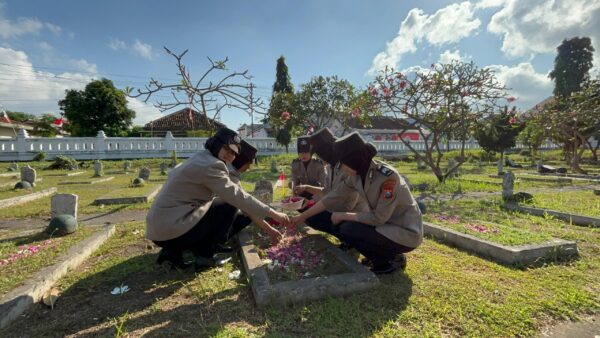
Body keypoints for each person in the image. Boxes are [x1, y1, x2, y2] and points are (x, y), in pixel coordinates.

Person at [146, 128, 289, 271]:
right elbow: (239, 197)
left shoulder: (202, 157)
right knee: (229, 204)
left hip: (160, 229)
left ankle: (171, 252)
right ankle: (205, 256)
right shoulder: (212, 165)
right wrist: (275, 214)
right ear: (216, 144)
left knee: (235, 212)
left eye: (233, 152)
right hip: (171, 227)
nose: (229, 154)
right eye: (226, 148)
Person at [292, 132, 423, 274]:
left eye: (343, 163)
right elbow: (332, 197)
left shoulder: (388, 178)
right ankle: (381, 255)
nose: (341, 168)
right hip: (384, 226)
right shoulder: (357, 175)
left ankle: (387, 261)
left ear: (354, 159)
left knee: (349, 229)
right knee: (347, 228)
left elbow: (379, 218)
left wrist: (343, 215)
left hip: (405, 233)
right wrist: (301, 217)